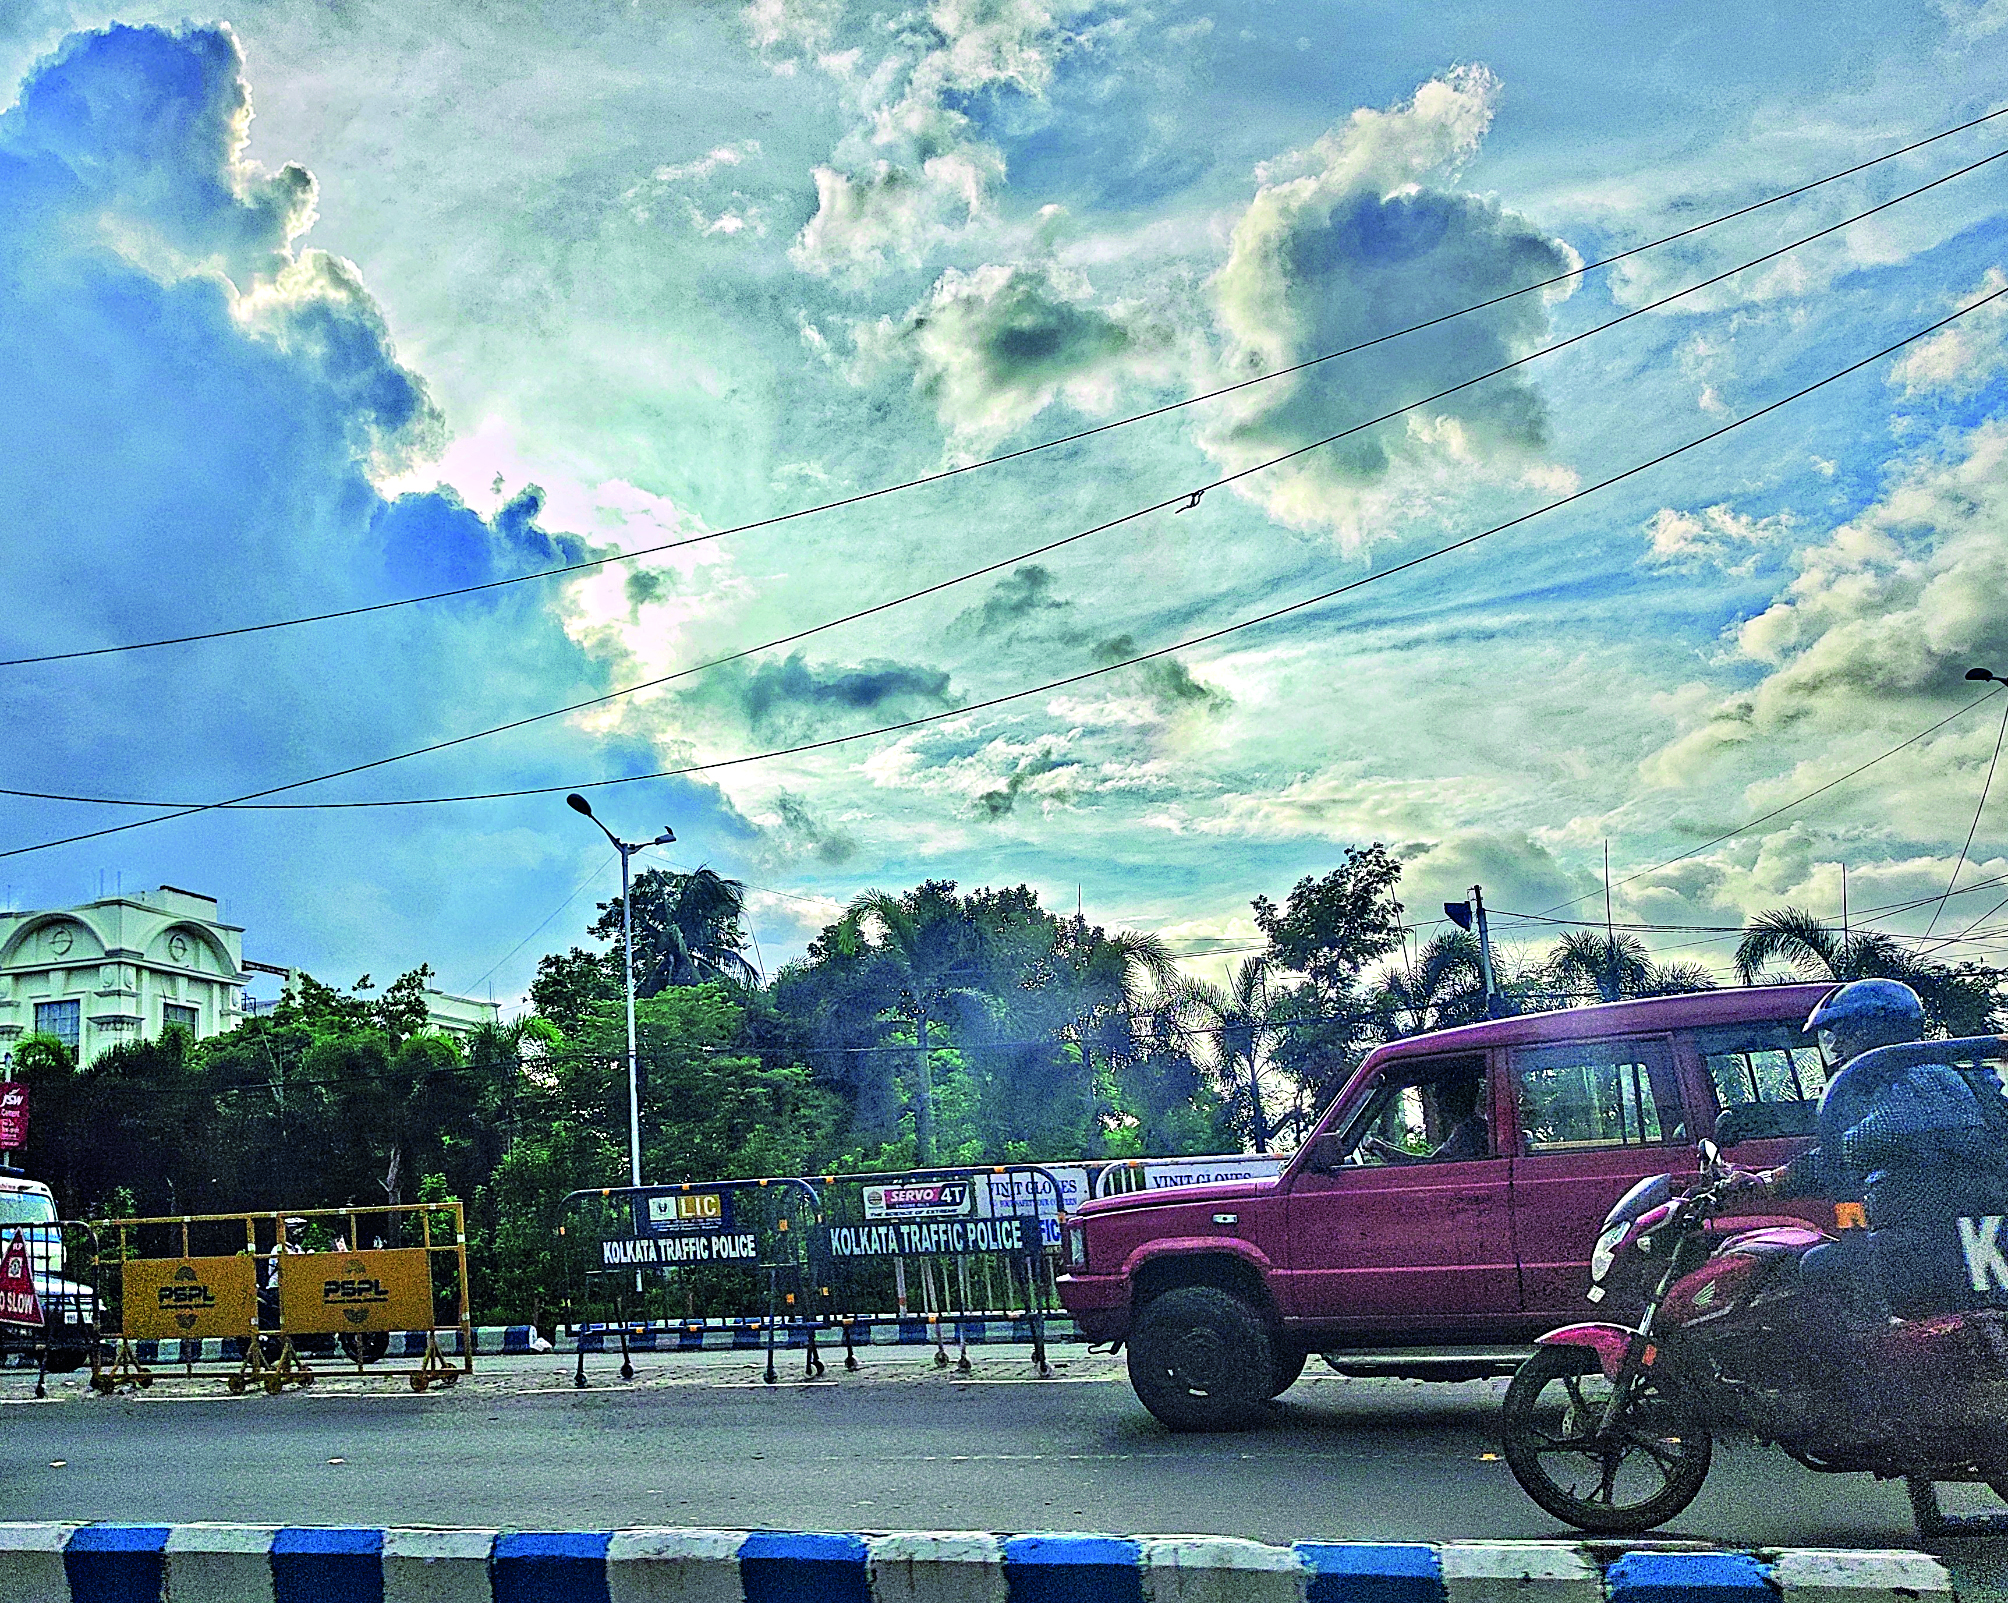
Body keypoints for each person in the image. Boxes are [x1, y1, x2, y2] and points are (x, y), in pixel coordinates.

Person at [1733, 979, 2008, 1314]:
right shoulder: (1916, 1075)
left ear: (1871, 1030)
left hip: (1955, 1240)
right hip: (1947, 1234)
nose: (1837, 1046)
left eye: (1844, 1033)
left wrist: (1774, 1179)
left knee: (1816, 1268)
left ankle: (1856, 1366)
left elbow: (1853, 1149)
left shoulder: (1922, 1079)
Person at [1366, 1072, 1490, 1165]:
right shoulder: (1475, 1128)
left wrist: (1385, 1150)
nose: (1439, 1104)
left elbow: (1431, 1167)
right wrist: (1386, 1148)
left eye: (1442, 1096)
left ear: (1459, 1097)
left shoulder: (1469, 1133)